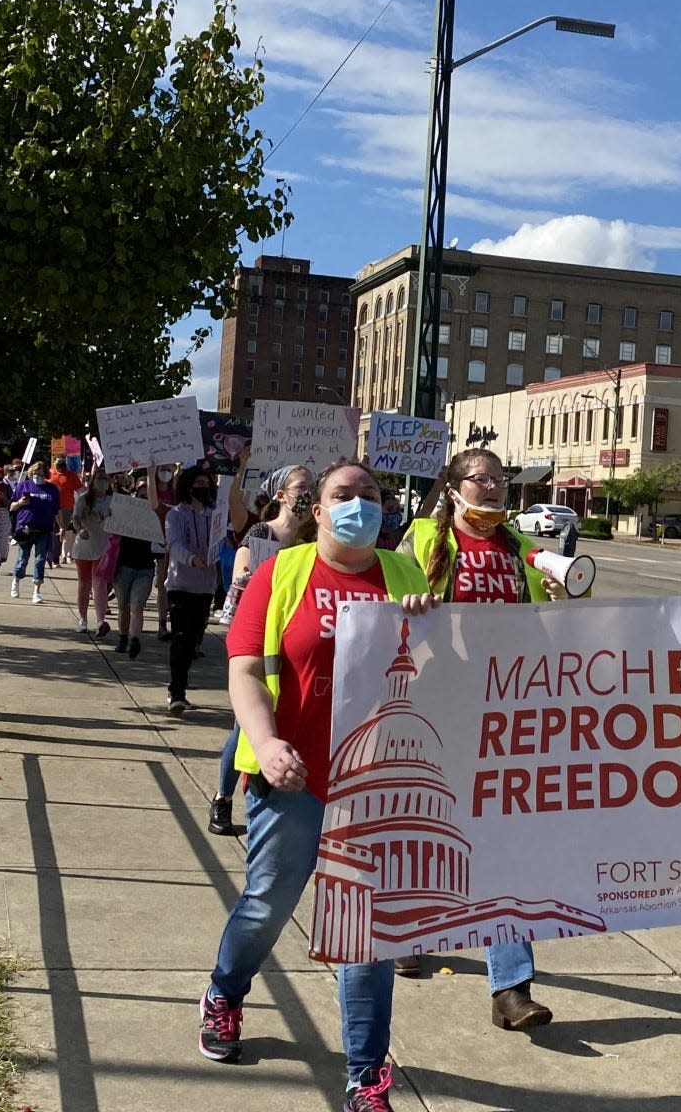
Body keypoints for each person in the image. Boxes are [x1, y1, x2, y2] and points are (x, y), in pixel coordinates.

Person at [198, 459, 432, 1112]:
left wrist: (434, 628)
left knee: (367, 933)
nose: (358, 504)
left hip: (375, 783)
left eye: (371, 495)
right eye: (342, 494)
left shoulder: (405, 575)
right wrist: (267, 744)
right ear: (318, 510)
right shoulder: (283, 571)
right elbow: (244, 668)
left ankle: (366, 1078)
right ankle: (224, 990)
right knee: (268, 903)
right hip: (293, 777)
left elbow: (442, 675)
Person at [396, 447, 562, 1026]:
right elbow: (381, 611)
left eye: (499, 479)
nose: (491, 488)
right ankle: (412, 926)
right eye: (480, 478)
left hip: (503, 709)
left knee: (501, 840)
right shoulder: (421, 540)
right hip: (437, 701)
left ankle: (510, 987)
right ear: (454, 487)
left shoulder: (520, 548)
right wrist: (407, 606)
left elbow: (541, 625)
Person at [209, 464, 315, 836]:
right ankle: (222, 798)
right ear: (280, 494)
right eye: (302, 486)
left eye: (313, 486)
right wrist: (249, 578)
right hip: (256, 637)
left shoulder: (314, 539)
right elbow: (240, 571)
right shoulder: (262, 533)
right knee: (245, 725)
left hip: (293, 638)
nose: (309, 491)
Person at [164, 467, 218, 715]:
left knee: (194, 640)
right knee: (181, 638)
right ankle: (177, 692)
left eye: (206, 483)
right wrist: (192, 560)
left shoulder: (214, 515)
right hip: (181, 585)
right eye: (198, 483)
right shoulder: (176, 514)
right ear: (187, 486)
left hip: (205, 588)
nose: (203, 487)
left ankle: (180, 685)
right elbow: (173, 544)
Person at [112, 476, 158, 658]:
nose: (144, 498)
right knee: (123, 606)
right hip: (124, 566)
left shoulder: (156, 516)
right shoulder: (125, 512)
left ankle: (135, 640)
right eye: (141, 495)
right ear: (134, 495)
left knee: (137, 606)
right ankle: (123, 638)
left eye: (148, 496)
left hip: (145, 568)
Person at [9, 461, 60, 604]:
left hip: (44, 529)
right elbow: (12, 507)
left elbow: (56, 511)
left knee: (40, 560)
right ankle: (16, 580)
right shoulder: (23, 486)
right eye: (35, 473)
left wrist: (61, 527)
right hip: (25, 529)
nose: (38, 476)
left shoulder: (52, 489)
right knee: (22, 559)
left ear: (46, 474)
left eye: (41, 473)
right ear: (31, 473)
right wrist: (20, 502)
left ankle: (36, 591)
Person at [71, 468, 114, 634]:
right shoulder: (84, 499)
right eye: (99, 478)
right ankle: (82, 619)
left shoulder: (113, 500)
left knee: (100, 584)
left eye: (105, 478)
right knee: (84, 584)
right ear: (93, 481)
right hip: (84, 546)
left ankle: (100, 621)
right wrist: (80, 529)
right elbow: (75, 518)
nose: (102, 482)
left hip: (104, 547)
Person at [147, 462, 178, 640]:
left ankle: (170, 622)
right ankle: (161, 624)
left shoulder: (175, 494)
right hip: (156, 542)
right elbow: (153, 503)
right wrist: (150, 474)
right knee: (161, 585)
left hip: (173, 545)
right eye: (163, 469)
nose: (166, 472)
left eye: (169, 469)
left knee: (169, 585)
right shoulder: (154, 493)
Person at [49, 455, 83, 563]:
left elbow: (81, 491)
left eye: (62, 461)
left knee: (67, 534)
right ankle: (55, 558)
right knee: (55, 534)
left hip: (68, 509)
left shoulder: (72, 475)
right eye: (58, 461)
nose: (60, 462)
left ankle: (67, 555)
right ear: (54, 463)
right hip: (52, 509)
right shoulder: (49, 474)